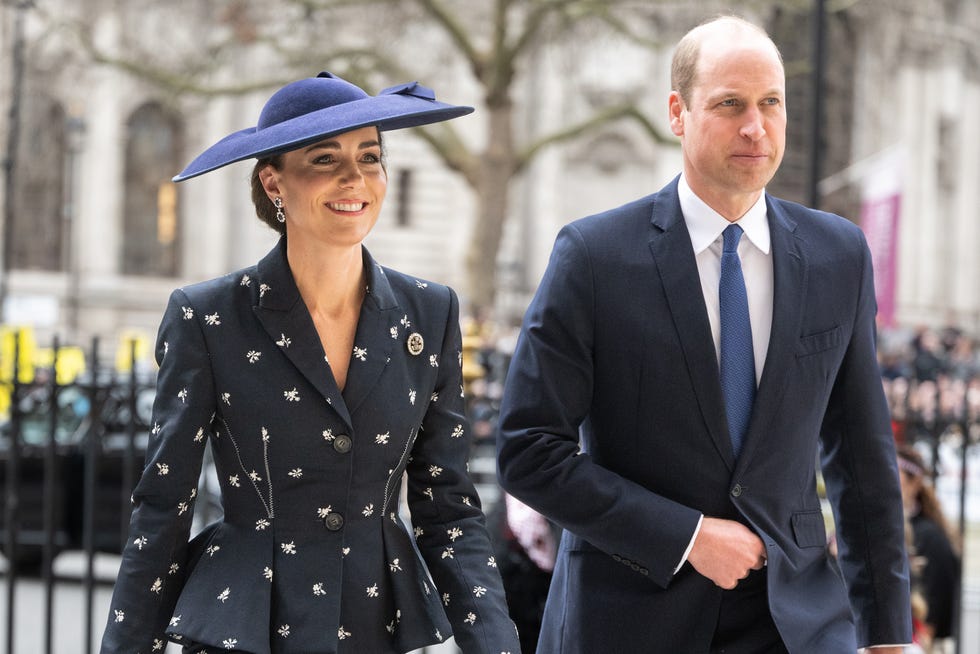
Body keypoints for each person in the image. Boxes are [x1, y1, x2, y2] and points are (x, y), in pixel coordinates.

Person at [496, 15, 912, 653]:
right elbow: (529, 451)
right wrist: (686, 537)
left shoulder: (840, 255)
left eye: (771, 103)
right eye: (730, 104)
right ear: (677, 113)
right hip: (628, 618)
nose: (756, 126)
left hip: (794, 622)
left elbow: (862, 461)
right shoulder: (595, 257)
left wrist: (888, 635)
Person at [100, 71, 521, 654]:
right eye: (325, 159)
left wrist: (496, 645)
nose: (355, 178)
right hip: (244, 625)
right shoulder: (208, 316)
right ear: (274, 183)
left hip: (376, 625)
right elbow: (164, 507)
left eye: (370, 156)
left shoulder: (431, 312)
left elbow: (447, 505)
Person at [897, 444, 961, 647]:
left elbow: (937, 604)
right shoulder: (881, 529)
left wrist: (920, 643)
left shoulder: (930, 536)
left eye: (893, 474)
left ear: (914, 482)